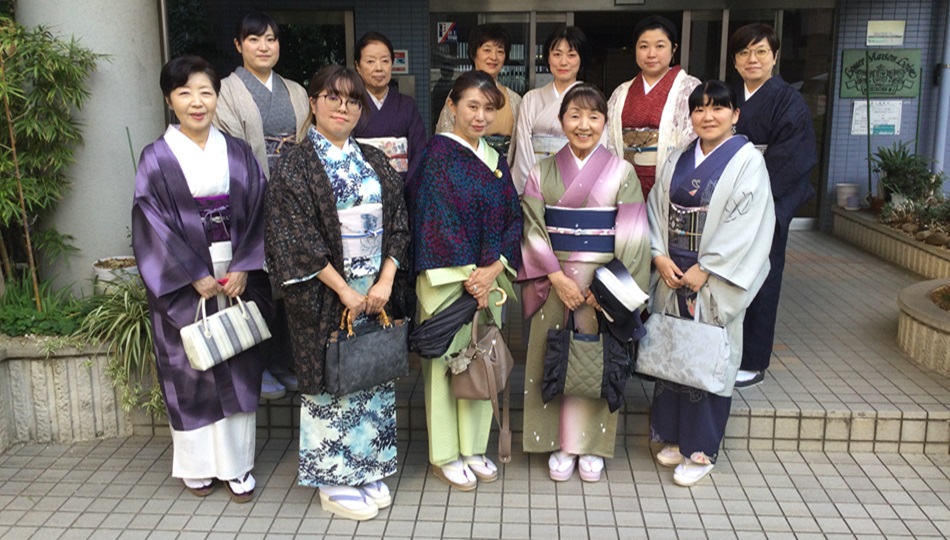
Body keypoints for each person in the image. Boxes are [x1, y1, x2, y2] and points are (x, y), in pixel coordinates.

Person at [263, 65, 410, 521]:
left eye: (351, 100)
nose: (342, 107)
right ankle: (332, 476)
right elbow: (295, 238)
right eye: (333, 97)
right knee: (331, 381)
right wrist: (344, 289)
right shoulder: (295, 163)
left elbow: (399, 222)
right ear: (314, 103)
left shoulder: (374, 159)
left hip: (375, 292)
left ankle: (367, 466)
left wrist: (385, 280)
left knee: (370, 375)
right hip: (325, 291)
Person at [132, 55, 271, 503]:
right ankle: (196, 465)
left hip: (235, 268)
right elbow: (150, 221)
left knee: (236, 355)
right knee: (191, 363)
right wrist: (193, 274)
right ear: (170, 99)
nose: (197, 102)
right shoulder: (156, 157)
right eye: (185, 92)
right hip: (183, 273)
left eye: (205, 92)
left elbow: (258, 208)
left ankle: (237, 465)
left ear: (217, 97)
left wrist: (246, 265)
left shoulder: (236, 151)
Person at [519, 84, 650, 482]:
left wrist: (605, 290)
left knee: (597, 359)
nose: (583, 124)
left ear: (605, 123)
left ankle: (590, 444)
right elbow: (532, 228)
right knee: (552, 357)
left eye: (593, 116)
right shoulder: (541, 171)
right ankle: (557, 442)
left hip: (600, 286)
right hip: (555, 280)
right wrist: (556, 277)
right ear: (561, 122)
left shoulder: (622, 172)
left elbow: (632, 236)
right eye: (574, 115)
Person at [647, 80, 775, 487]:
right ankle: (672, 436)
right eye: (699, 109)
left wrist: (709, 267)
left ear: (735, 114)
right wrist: (658, 255)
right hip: (673, 274)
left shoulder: (747, 161)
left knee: (708, 358)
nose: (708, 116)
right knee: (674, 355)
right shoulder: (678, 157)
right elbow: (654, 208)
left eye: (718, 108)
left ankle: (700, 450)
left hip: (714, 279)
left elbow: (748, 224)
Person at [410, 70, 522, 491]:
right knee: (444, 367)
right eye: (472, 106)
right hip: (447, 280)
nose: (480, 116)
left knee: (480, 361)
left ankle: (474, 447)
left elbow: (514, 218)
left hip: (487, 279)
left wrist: (497, 266)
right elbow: (434, 221)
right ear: (452, 106)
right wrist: (468, 278)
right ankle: (444, 454)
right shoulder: (435, 156)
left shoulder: (494, 159)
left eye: (489, 108)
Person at [214, 12, 311, 399]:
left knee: (293, 284)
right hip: (251, 201)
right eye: (254, 40)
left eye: (270, 39)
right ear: (239, 46)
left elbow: (305, 140)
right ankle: (259, 367)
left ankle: (285, 361)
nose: (264, 46)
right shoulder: (224, 91)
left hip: (295, 201)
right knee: (258, 286)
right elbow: (234, 151)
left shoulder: (296, 90)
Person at [729, 23, 818, 388]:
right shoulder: (728, 96)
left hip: (766, 202)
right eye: (744, 53)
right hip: (726, 202)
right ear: (734, 61)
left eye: (761, 51)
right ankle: (726, 349)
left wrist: (752, 197)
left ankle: (752, 358)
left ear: (774, 57)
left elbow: (793, 157)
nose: (753, 59)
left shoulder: (788, 101)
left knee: (761, 278)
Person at [606, 15, 700, 200]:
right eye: (643, 46)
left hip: (671, 182)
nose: (651, 54)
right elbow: (609, 140)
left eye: (660, 46)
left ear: (674, 48)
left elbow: (695, 140)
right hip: (626, 183)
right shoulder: (621, 92)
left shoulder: (689, 88)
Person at [509, 26, 591, 194]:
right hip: (535, 187)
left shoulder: (592, 100)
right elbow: (523, 149)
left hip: (577, 189)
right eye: (557, 54)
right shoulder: (531, 99)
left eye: (571, 55)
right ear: (548, 58)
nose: (563, 62)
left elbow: (598, 148)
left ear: (581, 59)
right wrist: (533, 192)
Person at [435, 24, 523, 160]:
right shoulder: (458, 94)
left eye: (500, 51)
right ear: (473, 52)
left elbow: (519, 150)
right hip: (463, 174)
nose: (494, 57)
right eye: (487, 50)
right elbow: (445, 138)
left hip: (502, 175)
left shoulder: (515, 100)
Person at [352, 31, 427, 182]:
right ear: (358, 66)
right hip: (363, 191)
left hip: (402, 190)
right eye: (370, 61)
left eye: (385, 61)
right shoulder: (351, 106)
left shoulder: (407, 105)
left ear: (392, 64)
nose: (379, 68)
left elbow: (419, 153)